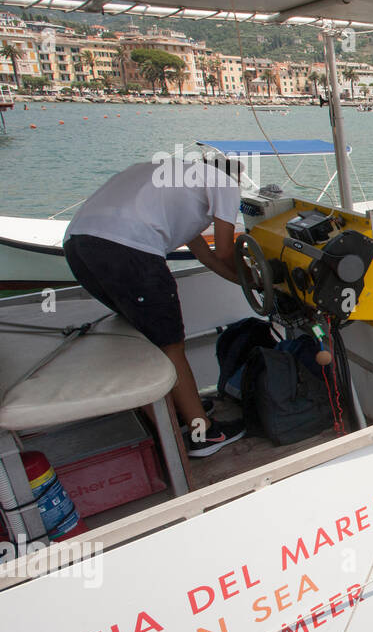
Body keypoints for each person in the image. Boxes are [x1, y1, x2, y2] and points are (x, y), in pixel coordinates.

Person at [63, 155, 246, 458]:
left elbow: (207, 257)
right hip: (129, 248)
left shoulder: (170, 181)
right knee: (170, 345)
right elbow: (226, 251)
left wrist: (247, 286)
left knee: (148, 337)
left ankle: (179, 412)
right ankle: (203, 434)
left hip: (79, 246)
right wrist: (258, 281)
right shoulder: (223, 180)